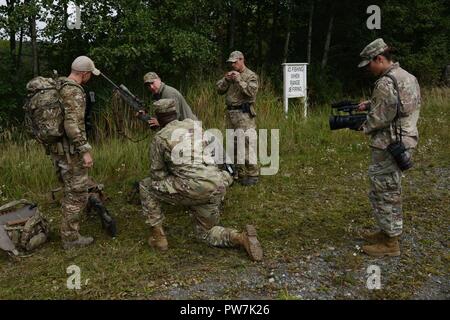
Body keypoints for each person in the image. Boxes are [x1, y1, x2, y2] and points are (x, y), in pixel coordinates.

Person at [138, 98, 263, 261]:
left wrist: (176, 177)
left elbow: (157, 175)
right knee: (206, 232)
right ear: (175, 114)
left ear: (159, 118)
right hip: (215, 185)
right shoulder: (194, 125)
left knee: (146, 186)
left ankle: (158, 238)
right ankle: (240, 238)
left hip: (191, 187)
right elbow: (212, 150)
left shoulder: (160, 138)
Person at [357, 39, 421, 257]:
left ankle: (390, 242)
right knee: (390, 186)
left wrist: (361, 125)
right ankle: (386, 232)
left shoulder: (385, 83)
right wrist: (371, 103)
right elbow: (402, 106)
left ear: (380, 59)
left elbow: (380, 118)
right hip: (405, 140)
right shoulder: (407, 77)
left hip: (389, 143)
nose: (368, 69)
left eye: (369, 64)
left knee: (384, 189)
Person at [49, 56, 100, 249]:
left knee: (69, 190)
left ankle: (68, 229)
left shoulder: (59, 85)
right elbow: (72, 124)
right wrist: (84, 150)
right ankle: (70, 239)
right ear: (84, 73)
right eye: (89, 75)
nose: (89, 78)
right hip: (71, 152)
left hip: (58, 149)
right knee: (77, 193)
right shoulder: (74, 91)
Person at [216, 51, 260, 186]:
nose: (233, 65)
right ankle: (238, 172)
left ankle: (252, 173)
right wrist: (226, 79)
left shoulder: (250, 76)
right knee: (232, 144)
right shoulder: (230, 75)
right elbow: (219, 89)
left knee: (246, 144)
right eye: (231, 63)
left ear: (242, 60)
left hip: (244, 114)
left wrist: (239, 80)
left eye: (235, 62)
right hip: (231, 114)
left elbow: (251, 93)